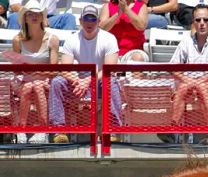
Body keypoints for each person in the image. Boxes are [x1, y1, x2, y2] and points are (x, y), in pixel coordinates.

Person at [48, 5, 122, 144]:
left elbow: (109, 69)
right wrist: (78, 80)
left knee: (111, 81)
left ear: (98, 21)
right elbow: (65, 69)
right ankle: (59, 130)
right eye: (86, 18)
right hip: (78, 82)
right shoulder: (72, 39)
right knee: (57, 82)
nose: (89, 22)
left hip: (99, 80)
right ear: (81, 21)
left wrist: (88, 80)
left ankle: (113, 128)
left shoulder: (109, 38)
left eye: (93, 18)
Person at [169, 4, 208, 128]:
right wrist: (190, 81)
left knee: (202, 87)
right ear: (193, 22)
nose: (202, 23)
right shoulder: (186, 42)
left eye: (205, 20)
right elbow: (173, 68)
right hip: (188, 84)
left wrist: (197, 82)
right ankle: (173, 128)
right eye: (198, 20)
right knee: (183, 87)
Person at [11, 0, 59, 144]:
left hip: (46, 81)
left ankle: (38, 129)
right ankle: (25, 130)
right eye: (30, 14)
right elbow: (17, 70)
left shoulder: (52, 39)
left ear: (42, 17)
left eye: (37, 13)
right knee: (29, 86)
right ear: (24, 18)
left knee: (36, 85)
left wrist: (36, 73)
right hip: (24, 82)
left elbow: (54, 70)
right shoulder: (17, 40)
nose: (34, 16)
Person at [7, 0, 76, 30]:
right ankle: (12, 51)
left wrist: (42, 17)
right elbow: (14, 6)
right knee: (14, 17)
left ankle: (63, 52)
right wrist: (37, 15)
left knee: (69, 18)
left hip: (49, 18)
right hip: (26, 15)